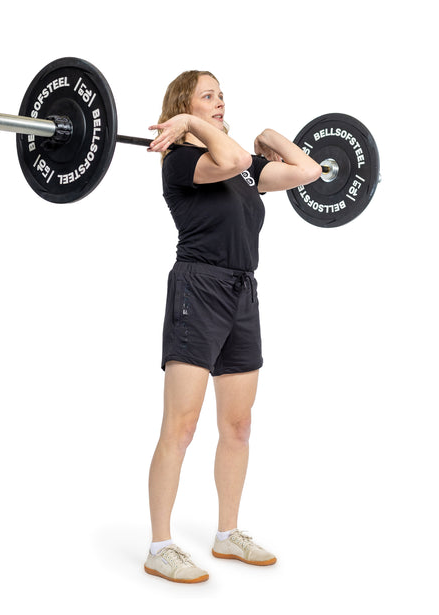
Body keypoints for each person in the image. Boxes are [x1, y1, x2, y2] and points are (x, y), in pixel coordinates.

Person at [143, 70, 322, 584]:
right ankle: (160, 545)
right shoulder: (181, 162)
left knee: (238, 427)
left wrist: (270, 137)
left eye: (222, 95)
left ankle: (227, 534)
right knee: (180, 427)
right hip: (197, 289)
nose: (220, 102)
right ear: (183, 106)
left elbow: (307, 172)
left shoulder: (243, 169)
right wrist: (181, 127)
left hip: (243, 292)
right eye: (208, 96)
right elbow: (233, 158)